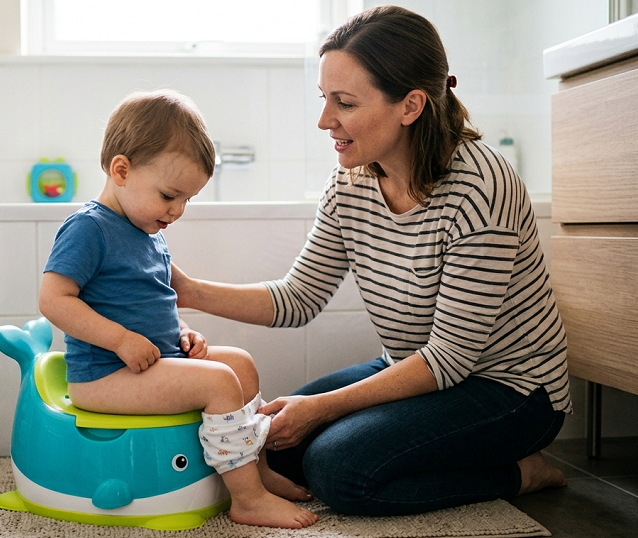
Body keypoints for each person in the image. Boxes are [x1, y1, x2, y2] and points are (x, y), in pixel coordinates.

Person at [169, 5, 571, 517]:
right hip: (413, 368)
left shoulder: (480, 189)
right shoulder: (351, 182)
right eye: (324, 98)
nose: (324, 120)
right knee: (275, 448)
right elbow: (298, 299)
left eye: (345, 103)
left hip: (510, 390)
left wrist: (320, 409)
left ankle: (520, 472)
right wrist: (187, 290)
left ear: (411, 105)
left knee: (340, 471)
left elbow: (450, 359)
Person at [38, 89, 319, 528]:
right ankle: (247, 500)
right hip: (104, 375)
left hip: (150, 362)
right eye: (170, 195)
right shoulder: (88, 228)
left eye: (187, 199)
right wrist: (120, 340)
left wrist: (182, 331)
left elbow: (153, 302)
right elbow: (53, 300)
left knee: (240, 364)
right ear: (121, 170)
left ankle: (258, 473)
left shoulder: (147, 232)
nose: (178, 210)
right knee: (220, 382)